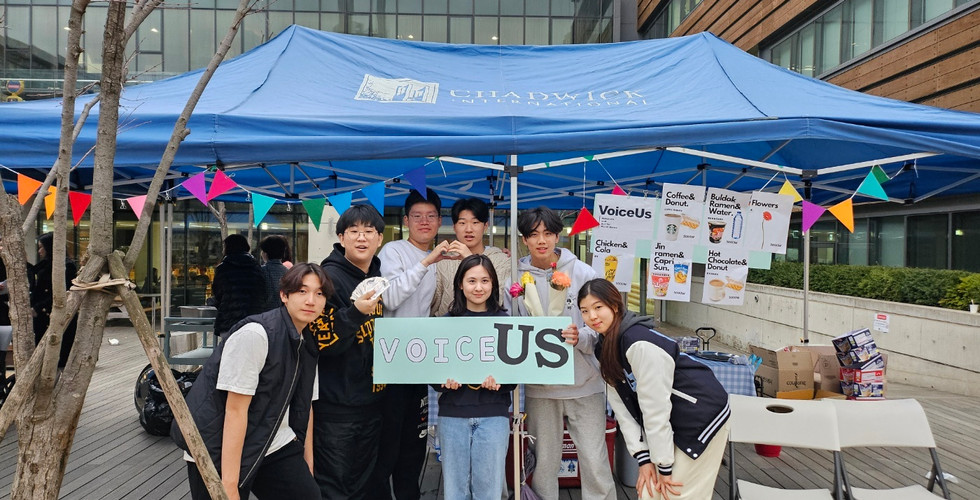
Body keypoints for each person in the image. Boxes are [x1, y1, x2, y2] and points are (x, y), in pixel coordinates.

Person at [173, 263, 332, 500]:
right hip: (217, 444)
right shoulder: (256, 335)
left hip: (271, 439)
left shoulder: (307, 341)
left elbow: (306, 404)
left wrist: (307, 464)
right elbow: (235, 411)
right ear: (284, 295)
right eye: (302, 291)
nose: (311, 300)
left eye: (319, 293)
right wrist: (229, 485)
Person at [578, 279, 730, 500]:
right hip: (669, 420)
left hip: (701, 415)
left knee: (677, 494)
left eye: (598, 307)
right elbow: (622, 408)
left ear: (615, 305)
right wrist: (643, 458)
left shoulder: (638, 343)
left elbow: (655, 407)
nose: (592, 316)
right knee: (649, 492)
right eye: (584, 311)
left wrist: (664, 467)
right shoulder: (604, 347)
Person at [504, 207, 616, 500]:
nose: (541, 240)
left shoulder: (582, 273)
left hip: (585, 384)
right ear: (524, 239)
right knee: (544, 465)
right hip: (540, 389)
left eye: (548, 233)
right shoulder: (513, 278)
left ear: (558, 235)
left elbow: (602, 325)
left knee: (594, 461)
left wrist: (581, 337)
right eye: (533, 235)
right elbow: (507, 326)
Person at [371, 188, 457, 500]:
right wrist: (426, 262)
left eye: (431, 216)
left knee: (414, 446)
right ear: (406, 221)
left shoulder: (436, 261)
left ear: (439, 221)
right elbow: (391, 298)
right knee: (387, 447)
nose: (424, 221)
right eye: (417, 216)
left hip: (418, 363)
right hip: (391, 364)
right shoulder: (393, 251)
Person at [309, 204, 386, 499]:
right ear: (341, 238)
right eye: (354, 231)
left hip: (371, 402)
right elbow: (323, 341)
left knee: (363, 484)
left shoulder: (376, 277)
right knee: (334, 485)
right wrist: (355, 312)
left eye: (369, 231)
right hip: (337, 407)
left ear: (380, 238)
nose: (361, 238)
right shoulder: (326, 279)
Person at [432, 254, 515, 500]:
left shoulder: (506, 322)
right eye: (472, 281)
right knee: (455, 491)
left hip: (494, 416)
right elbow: (432, 373)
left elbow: (514, 375)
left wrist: (500, 383)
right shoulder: (445, 324)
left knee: (488, 491)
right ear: (460, 284)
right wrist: (443, 381)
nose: (478, 287)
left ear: (493, 284)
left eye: (485, 281)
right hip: (452, 416)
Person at [430, 197, 510, 317]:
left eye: (475, 222)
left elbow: (498, 299)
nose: (469, 229)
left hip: (488, 325)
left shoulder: (501, 260)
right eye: (462, 223)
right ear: (454, 227)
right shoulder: (443, 261)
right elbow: (433, 305)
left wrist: (469, 258)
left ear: (485, 226)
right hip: (449, 326)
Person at [31, 232, 78, 368]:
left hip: (54, 315)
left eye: (42, 247)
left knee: (57, 357)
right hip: (41, 317)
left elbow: (63, 293)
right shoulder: (43, 265)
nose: (39, 251)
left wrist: (38, 308)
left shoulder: (66, 266)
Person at [211, 234, 267, 337]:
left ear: (227, 248)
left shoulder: (223, 268)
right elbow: (263, 290)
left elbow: (218, 293)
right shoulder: (256, 267)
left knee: (230, 345)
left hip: (229, 319)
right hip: (254, 318)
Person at [258, 235, 290, 312]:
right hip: (283, 313)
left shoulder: (260, 271)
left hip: (264, 314)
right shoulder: (289, 272)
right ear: (283, 253)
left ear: (265, 253)